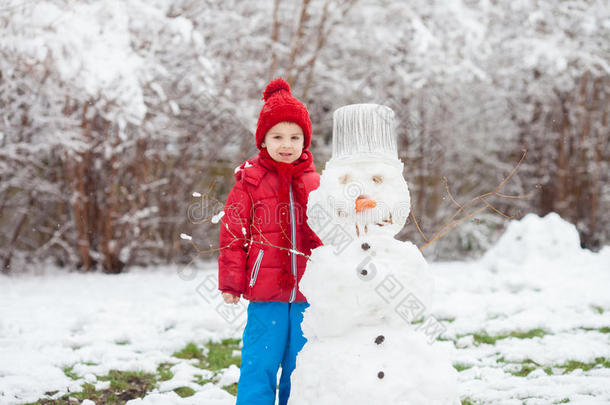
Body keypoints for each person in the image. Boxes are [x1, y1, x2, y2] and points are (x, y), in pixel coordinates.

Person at [218, 77, 323, 405]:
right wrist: (231, 283)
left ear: (305, 140)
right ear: (263, 139)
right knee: (259, 364)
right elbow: (233, 234)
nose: (286, 144)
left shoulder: (318, 183)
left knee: (301, 366)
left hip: (309, 294)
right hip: (265, 295)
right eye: (277, 136)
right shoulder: (250, 182)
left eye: (295, 137)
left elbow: (334, 231)